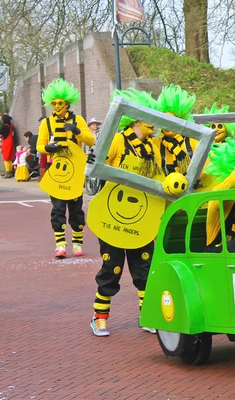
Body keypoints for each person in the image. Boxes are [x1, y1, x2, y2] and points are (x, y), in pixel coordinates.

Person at [89, 88, 164, 337]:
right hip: (112, 214)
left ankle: (147, 315)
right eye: (149, 120)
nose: (154, 125)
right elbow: (96, 170)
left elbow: (158, 178)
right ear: (136, 120)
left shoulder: (152, 147)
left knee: (144, 267)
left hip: (142, 216)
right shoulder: (118, 140)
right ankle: (99, 317)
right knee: (112, 269)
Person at [37, 78, 95, 258]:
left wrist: (77, 131)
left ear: (67, 103)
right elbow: (39, 145)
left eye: (59, 103)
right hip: (58, 172)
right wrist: (48, 148)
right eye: (53, 103)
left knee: (76, 208)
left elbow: (91, 140)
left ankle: (77, 244)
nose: (56, 106)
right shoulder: (46, 123)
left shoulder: (78, 120)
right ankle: (60, 244)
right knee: (58, 208)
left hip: (76, 172)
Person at [0, 114, 16, 178]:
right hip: (11, 143)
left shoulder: (4, 127)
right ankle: (10, 172)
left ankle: (8, 172)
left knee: (6, 159)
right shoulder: (11, 126)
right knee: (9, 158)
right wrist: (1, 137)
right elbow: (6, 134)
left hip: (6, 144)